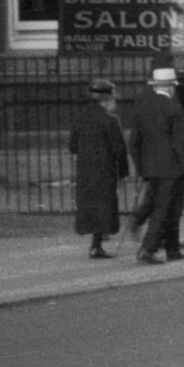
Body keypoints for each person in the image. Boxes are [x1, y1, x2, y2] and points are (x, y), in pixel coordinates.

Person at [124, 64, 184, 264]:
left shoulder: (141, 108)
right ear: (171, 87)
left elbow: (134, 142)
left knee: (167, 208)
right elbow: (181, 144)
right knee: (166, 210)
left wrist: (141, 167)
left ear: (155, 86)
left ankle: (173, 249)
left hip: (151, 168)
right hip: (172, 168)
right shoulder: (174, 108)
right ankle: (148, 249)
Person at [70, 77, 128, 260]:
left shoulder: (80, 118)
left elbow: (72, 146)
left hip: (85, 169)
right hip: (105, 169)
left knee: (91, 204)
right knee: (104, 205)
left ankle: (97, 243)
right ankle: (97, 245)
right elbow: (119, 149)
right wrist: (123, 171)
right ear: (105, 100)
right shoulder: (109, 120)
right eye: (112, 98)